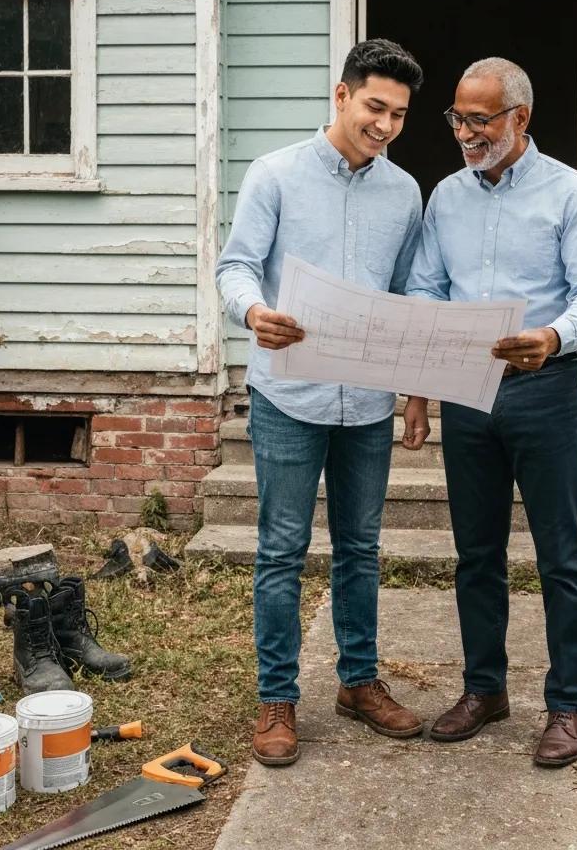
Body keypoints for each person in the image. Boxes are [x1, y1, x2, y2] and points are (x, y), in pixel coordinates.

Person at [216, 39, 429, 767]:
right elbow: (237, 266)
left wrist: (416, 390)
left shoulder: (405, 193)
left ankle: (359, 683)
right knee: (280, 552)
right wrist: (252, 313)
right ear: (341, 96)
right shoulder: (273, 174)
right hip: (288, 395)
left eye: (399, 114)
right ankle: (277, 699)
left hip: (366, 404)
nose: (386, 125)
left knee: (361, 551)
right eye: (375, 107)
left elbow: (409, 298)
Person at [404, 57, 577, 767]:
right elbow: (427, 290)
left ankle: (568, 706)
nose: (465, 133)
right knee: (477, 555)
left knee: (562, 556)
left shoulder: (570, 194)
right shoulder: (447, 197)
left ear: (520, 119)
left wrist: (554, 336)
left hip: (546, 388)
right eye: (457, 118)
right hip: (470, 388)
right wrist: (419, 388)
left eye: (480, 120)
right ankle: (484, 689)